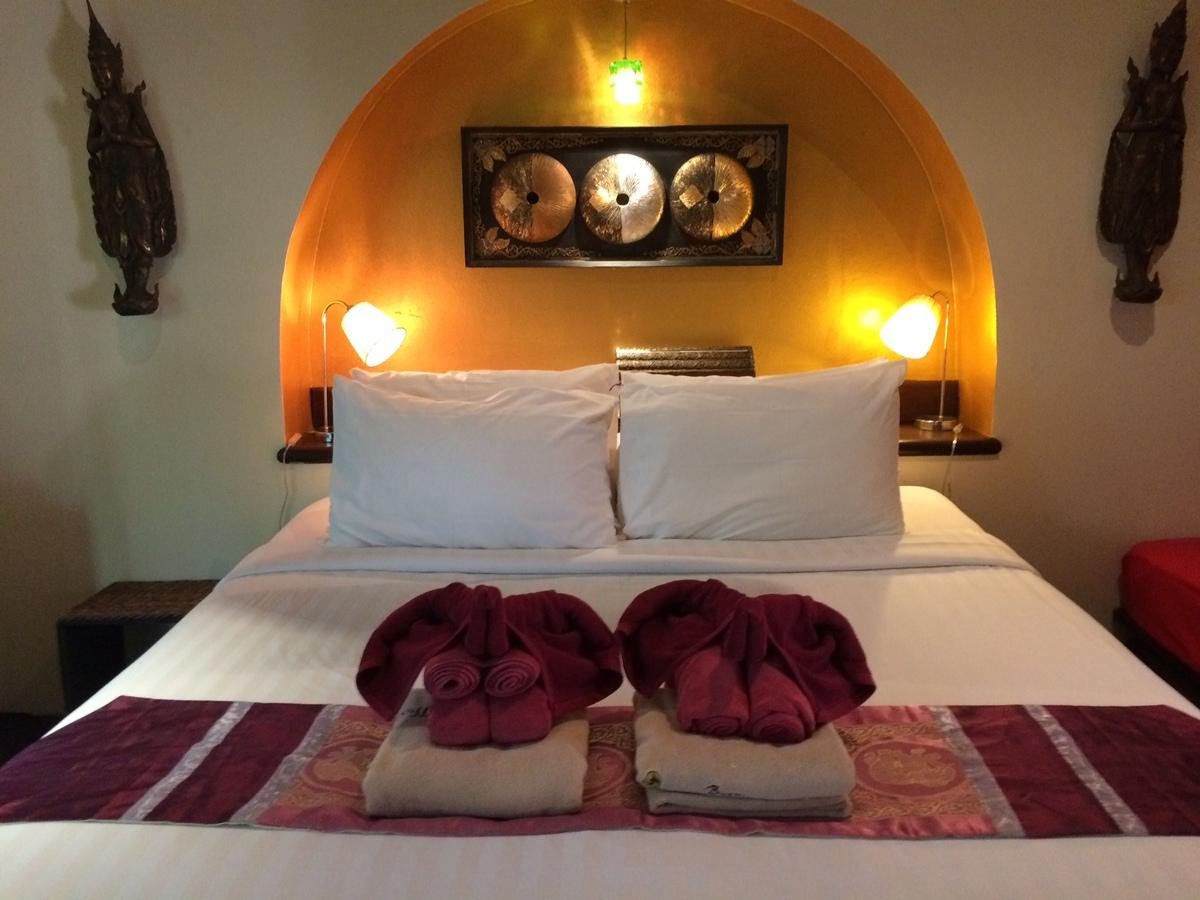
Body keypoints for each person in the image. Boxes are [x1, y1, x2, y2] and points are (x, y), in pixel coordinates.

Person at [83, 2, 176, 315]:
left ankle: (141, 282)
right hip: (112, 176)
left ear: (117, 67)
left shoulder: (130, 103)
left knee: (141, 219)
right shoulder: (99, 109)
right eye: (96, 70)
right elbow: (91, 145)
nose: (101, 74)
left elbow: (149, 142)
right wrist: (106, 140)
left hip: (135, 172)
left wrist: (120, 138)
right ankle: (131, 285)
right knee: (117, 223)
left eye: (105, 68)